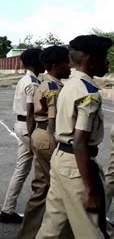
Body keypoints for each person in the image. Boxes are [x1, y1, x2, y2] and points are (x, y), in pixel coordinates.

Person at [37, 35, 113, 238]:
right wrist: (90, 189)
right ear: (89, 59)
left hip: (61, 159)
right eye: (104, 56)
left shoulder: (70, 85)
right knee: (91, 230)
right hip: (77, 166)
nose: (107, 62)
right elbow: (80, 142)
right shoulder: (88, 93)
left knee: (52, 227)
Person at [17, 46, 71, 239]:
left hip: (39, 135)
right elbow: (53, 123)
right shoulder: (54, 88)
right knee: (57, 187)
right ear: (55, 65)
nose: (70, 65)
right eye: (66, 61)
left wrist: (32, 138)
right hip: (50, 137)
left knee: (41, 186)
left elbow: (31, 114)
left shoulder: (42, 83)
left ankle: (28, 232)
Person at [0, 48, 44, 223]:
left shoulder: (25, 79)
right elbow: (32, 111)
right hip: (28, 126)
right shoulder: (33, 83)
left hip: (21, 125)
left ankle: (7, 209)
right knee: (48, 167)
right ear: (35, 63)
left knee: (22, 168)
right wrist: (34, 136)